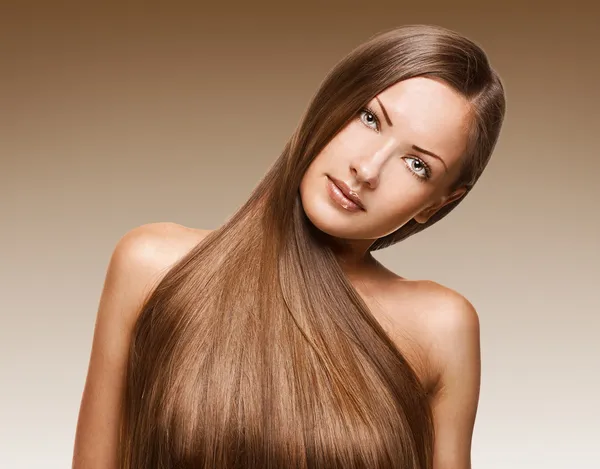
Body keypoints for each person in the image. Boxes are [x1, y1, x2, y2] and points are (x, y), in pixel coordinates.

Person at [72, 24, 506, 469]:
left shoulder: (440, 327)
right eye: (370, 118)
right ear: (331, 102)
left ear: (437, 203)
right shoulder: (152, 266)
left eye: (416, 164)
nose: (368, 168)